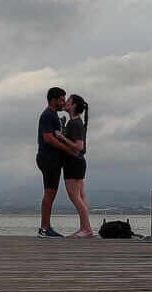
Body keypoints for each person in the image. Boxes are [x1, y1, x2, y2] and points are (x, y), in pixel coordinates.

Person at [36, 86, 78, 238]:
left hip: (52, 159)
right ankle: (45, 228)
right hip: (48, 159)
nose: (63, 102)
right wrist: (68, 150)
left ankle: (46, 226)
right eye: (61, 99)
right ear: (53, 100)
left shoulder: (54, 116)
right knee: (49, 193)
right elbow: (48, 138)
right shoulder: (48, 115)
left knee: (50, 193)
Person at [57, 94, 92, 238]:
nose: (65, 102)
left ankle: (87, 229)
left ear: (74, 106)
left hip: (74, 163)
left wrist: (61, 137)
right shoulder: (74, 123)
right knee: (81, 197)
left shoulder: (75, 123)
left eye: (69, 101)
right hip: (77, 163)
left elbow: (78, 146)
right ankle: (84, 228)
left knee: (75, 197)